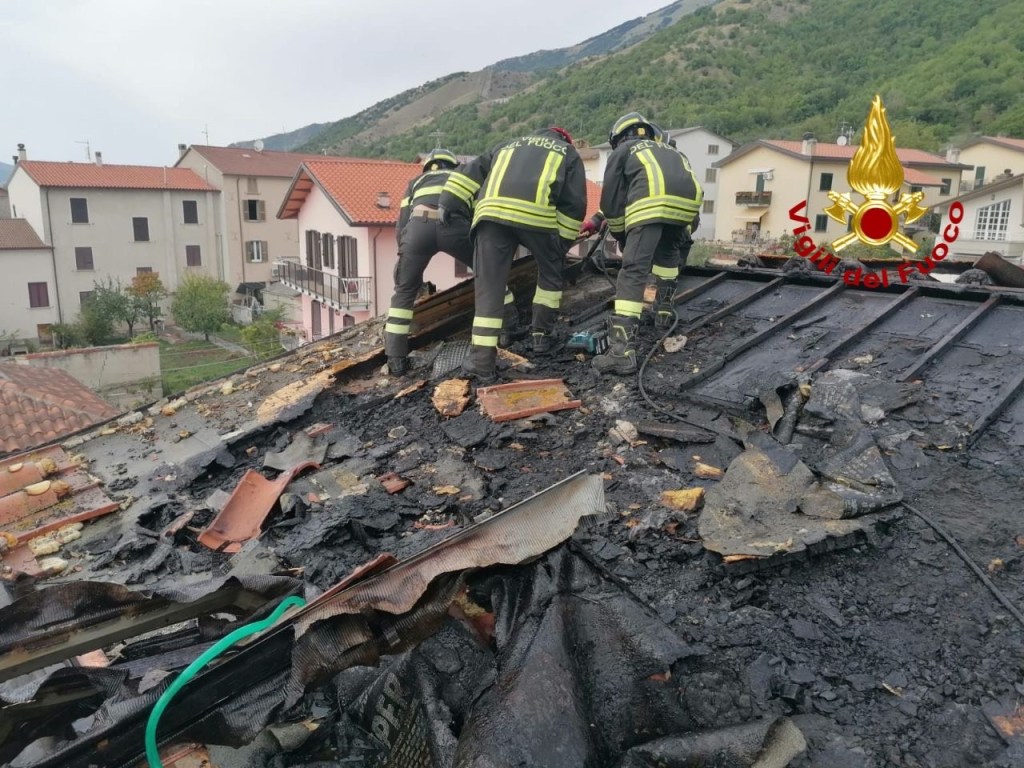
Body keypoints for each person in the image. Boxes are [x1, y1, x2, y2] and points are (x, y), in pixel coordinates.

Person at [438, 126, 587, 383]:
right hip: (538, 219)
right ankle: (542, 336)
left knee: (490, 286)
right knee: (550, 277)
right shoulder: (567, 152)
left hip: (491, 217)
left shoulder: (507, 145)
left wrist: (448, 202)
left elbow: (468, 174)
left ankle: (482, 361)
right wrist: (559, 244)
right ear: (563, 138)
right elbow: (574, 204)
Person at [582, 112, 703, 375]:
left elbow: (613, 203)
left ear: (618, 137)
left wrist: (623, 237)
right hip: (686, 209)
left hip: (652, 207)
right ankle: (663, 315)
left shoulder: (624, 150)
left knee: (633, 271)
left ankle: (621, 353)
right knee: (668, 259)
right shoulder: (671, 151)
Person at [384, 149, 517, 375]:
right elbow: (478, 212)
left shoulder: (414, 182)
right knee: (489, 277)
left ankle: (395, 360)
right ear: (452, 165)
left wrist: (404, 256)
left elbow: (403, 222)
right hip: (454, 226)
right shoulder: (461, 177)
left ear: (428, 166)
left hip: (418, 228)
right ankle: (508, 329)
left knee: (403, 292)